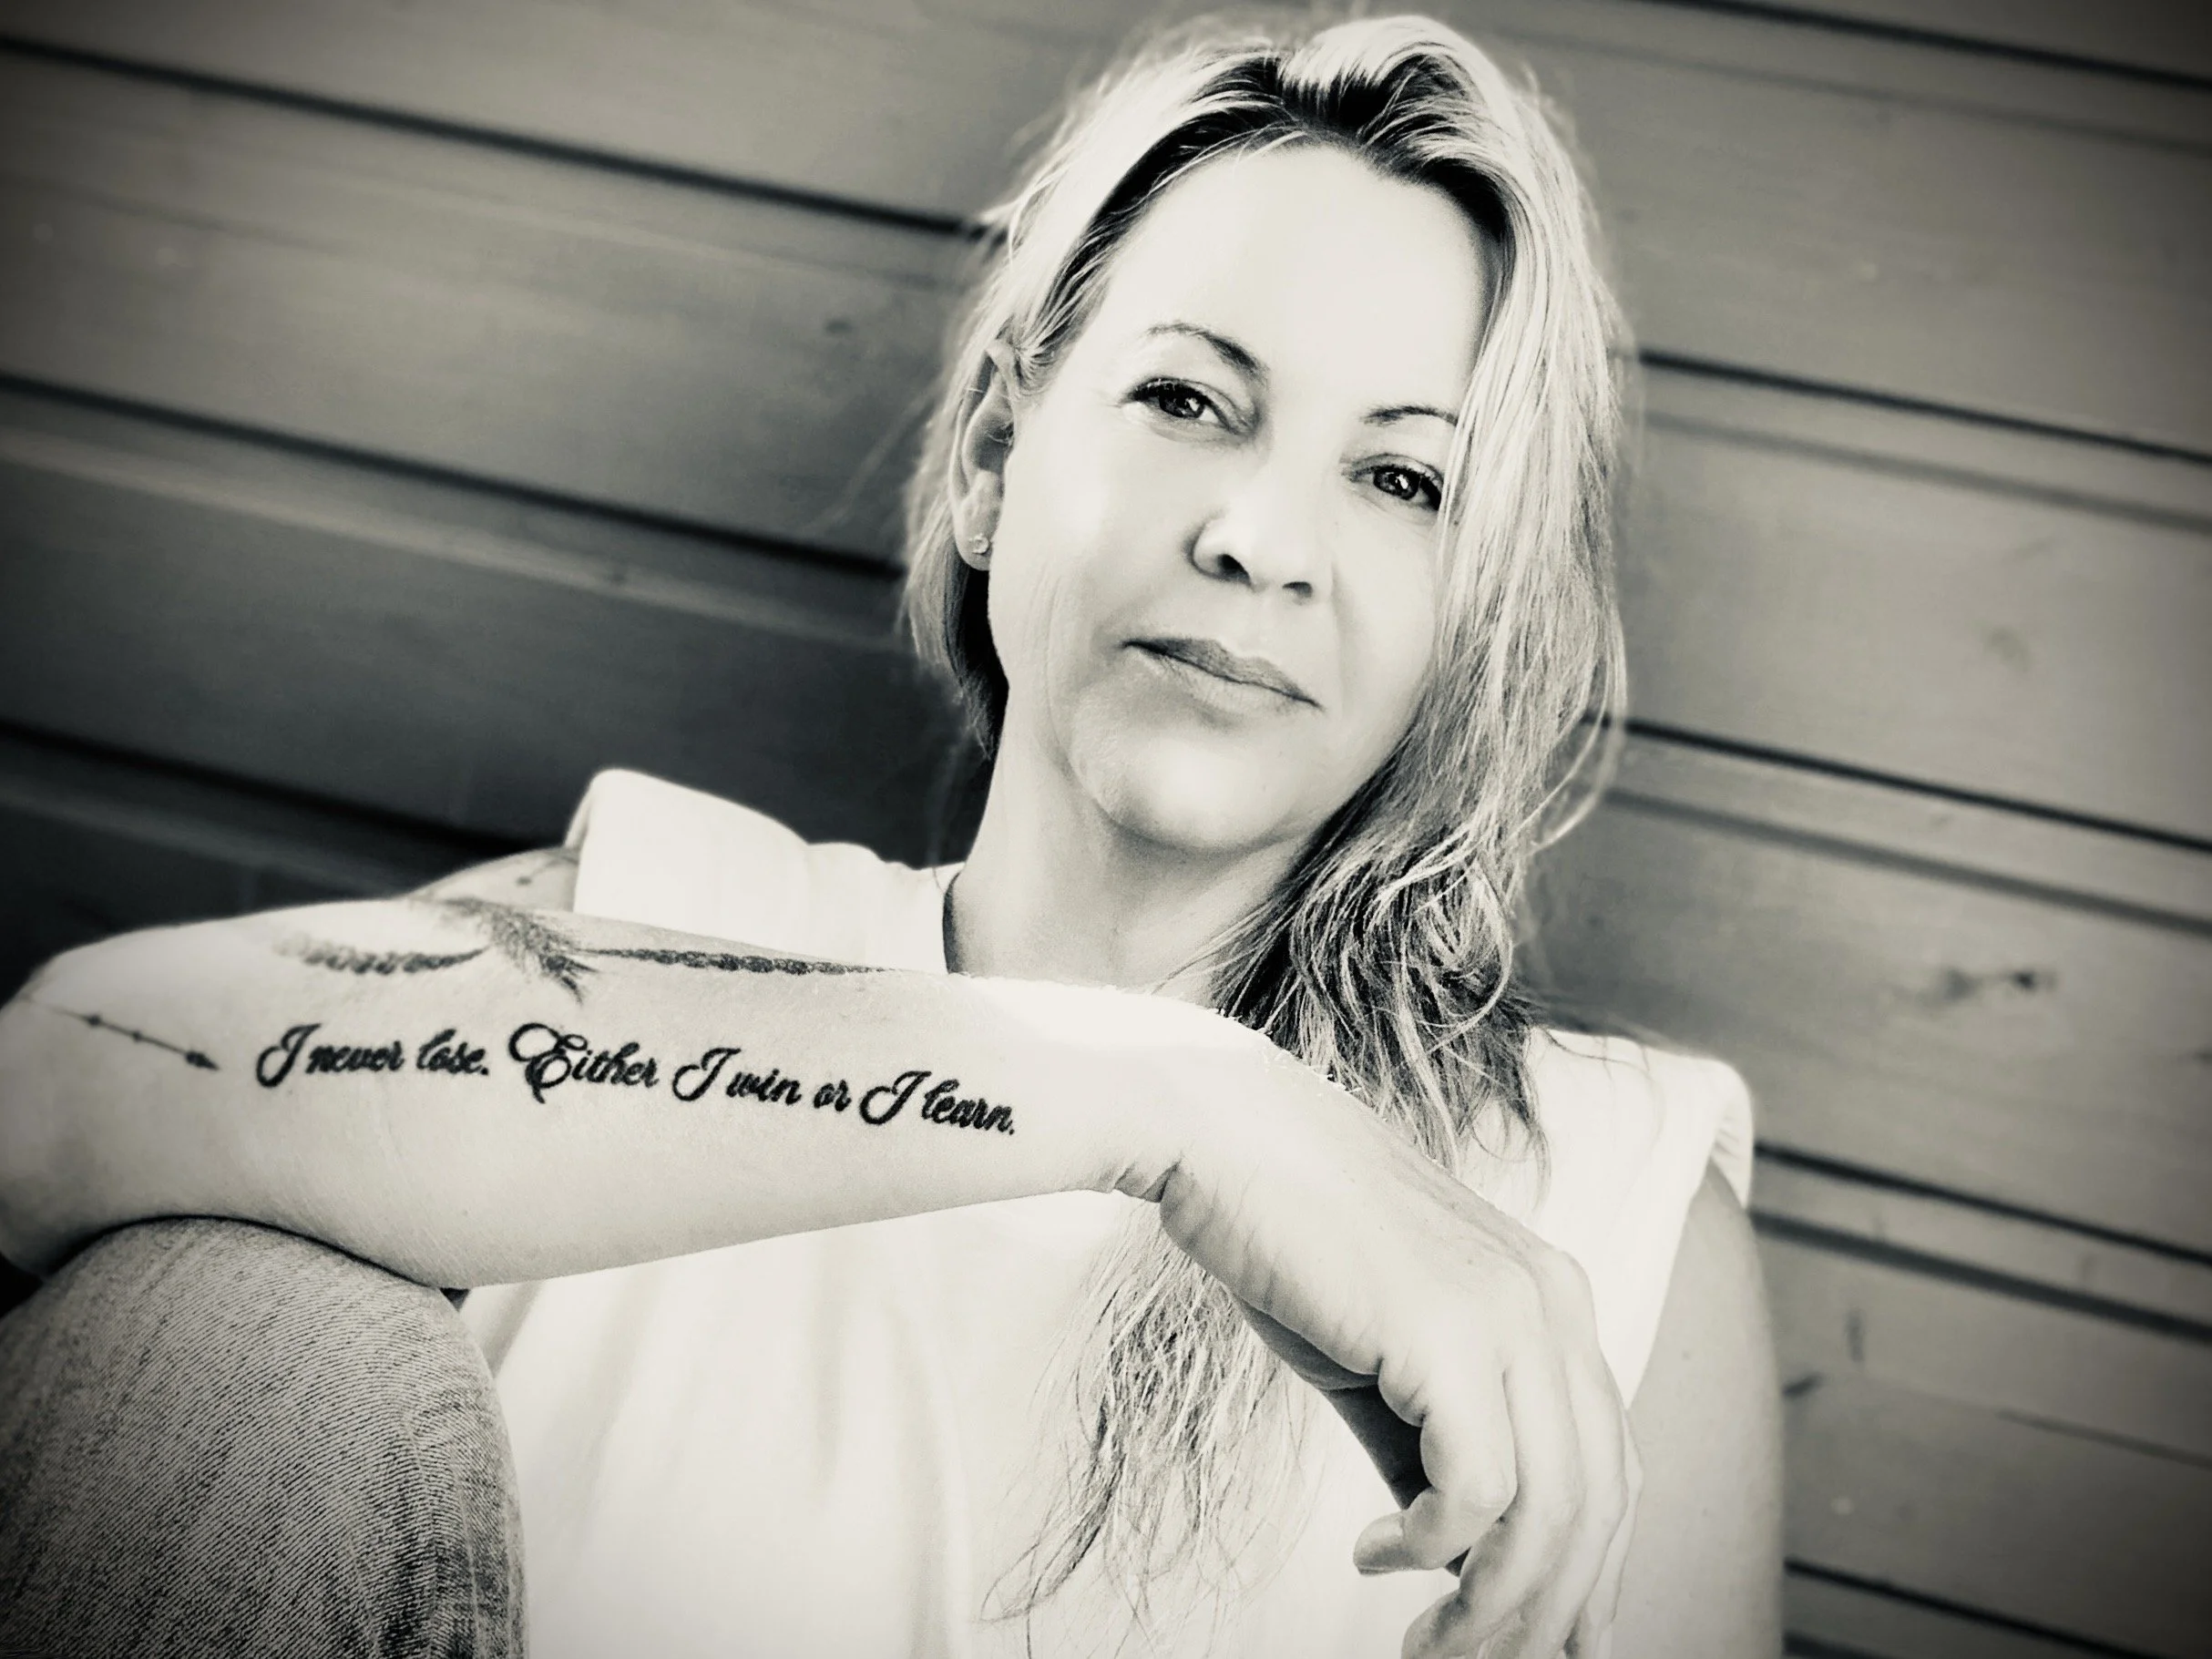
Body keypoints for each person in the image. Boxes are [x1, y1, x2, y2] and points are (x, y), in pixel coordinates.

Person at [0, 13, 1782, 1658]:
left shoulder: (1602, 1216)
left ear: (1477, 611)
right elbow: (53, 1085)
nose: (1258, 536)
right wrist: (1165, 1096)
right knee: (228, 1327)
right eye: (1185, 399)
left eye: (1402, 479)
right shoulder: (656, 929)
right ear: (998, 456)